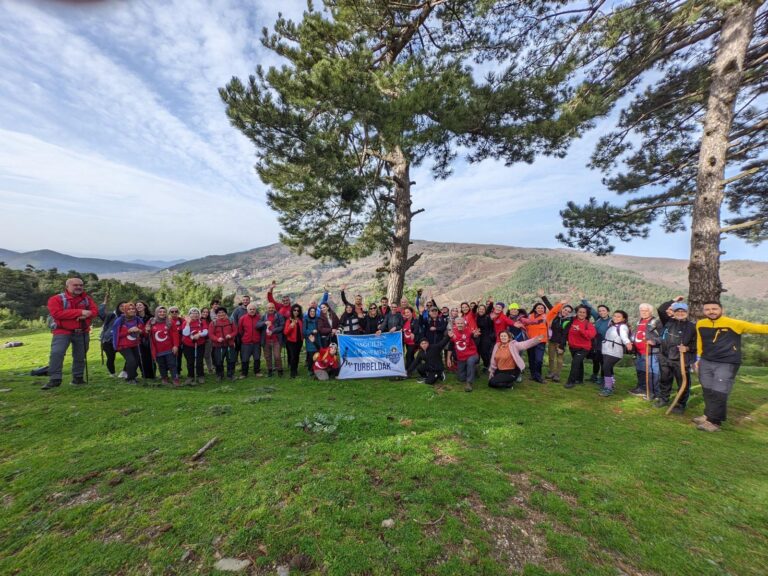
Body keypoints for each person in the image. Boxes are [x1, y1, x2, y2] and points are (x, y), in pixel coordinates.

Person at [693, 302, 768, 432]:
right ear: (704, 311)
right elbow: (700, 341)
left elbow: (760, 328)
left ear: (722, 309)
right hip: (706, 361)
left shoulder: (734, 323)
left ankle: (714, 422)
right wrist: (698, 358)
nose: (711, 311)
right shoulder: (701, 324)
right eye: (708, 309)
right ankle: (708, 415)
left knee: (719, 391)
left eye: (714, 309)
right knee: (707, 389)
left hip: (727, 363)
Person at [43, 277, 99, 389]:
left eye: (81, 285)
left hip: (82, 331)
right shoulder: (56, 299)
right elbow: (57, 314)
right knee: (57, 353)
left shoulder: (87, 299)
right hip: (62, 331)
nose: (79, 287)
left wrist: (86, 314)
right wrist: (80, 312)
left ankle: (78, 378)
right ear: (67, 287)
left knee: (80, 355)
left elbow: (95, 311)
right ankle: (55, 379)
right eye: (75, 285)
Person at [655, 301, 696, 412]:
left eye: (683, 311)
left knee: (683, 382)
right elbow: (661, 309)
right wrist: (673, 301)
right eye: (678, 311)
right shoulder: (668, 321)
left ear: (687, 313)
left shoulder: (692, 327)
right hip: (665, 356)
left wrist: (687, 348)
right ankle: (664, 399)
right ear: (674, 312)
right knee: (664, 379)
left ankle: (680, 404)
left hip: (681, 359)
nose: (681, 313)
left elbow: (697, 344)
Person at [519, 298, 565, 383]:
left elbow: (554, 311)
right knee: (531, 359)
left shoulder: (546, 317)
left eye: (542, 308)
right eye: (538, 308)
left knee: (539, 360)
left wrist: (560, 304)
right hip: (530, 341)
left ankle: (538, 376)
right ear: (535, 308)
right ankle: (533, 375)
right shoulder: (529, 316)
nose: (540, 309)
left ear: (544, 310)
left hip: (541, 341)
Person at [630, 303, 661, 399]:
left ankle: (654, 393)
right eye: (641, 310)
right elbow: (635, 333)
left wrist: (654, 341)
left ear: (651, 311)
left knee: (652, 373)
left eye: (646, 310)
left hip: (651, 352)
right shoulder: (639, 321)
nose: (643, 312)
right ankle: (642, 388)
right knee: (640, 371)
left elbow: (664, 337)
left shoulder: (656, 322)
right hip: (639, 352)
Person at [599, 310, 632, 396]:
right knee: (608, 368)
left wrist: (627, 343)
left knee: (606, 367)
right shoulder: (613, 325)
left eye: (618, 316)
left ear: (623, 319)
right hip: (607, 350)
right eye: (614, 316)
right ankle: (610, 385)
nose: (615, 318)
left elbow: (624, 336)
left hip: (615, 351)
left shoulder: (622, 327)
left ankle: (608, 388)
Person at [145, 306, 181, 386]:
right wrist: (147, 331)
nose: (162, 313)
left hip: (169, 348)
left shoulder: (170, 322)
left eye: (164, 312)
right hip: (158, 349)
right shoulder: (151, 321)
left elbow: (175, 334)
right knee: (161, 365)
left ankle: (175, 378)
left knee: (172, 364)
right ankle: (164, 378)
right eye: (160, 312)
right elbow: (146, 333)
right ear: (156, 312)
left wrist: (175, 345)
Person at [564, 305, 597, 389]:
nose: (581, 314)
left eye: (584, 312)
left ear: (586, 314)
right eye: (580, 312)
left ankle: (570, 382)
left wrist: (580, 330)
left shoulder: (588, 324)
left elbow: (591, 336)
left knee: (575, 363)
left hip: (584, 348)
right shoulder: (572, 321)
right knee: (579, 363)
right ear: (577, 313)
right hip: (572, 346)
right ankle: (580, 379)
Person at [112, 302, 144, 385]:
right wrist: (128, 331)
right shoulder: (119, 320)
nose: (131, 310)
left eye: (133, 309)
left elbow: (142, 331)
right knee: (131, 360)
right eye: (129, 309)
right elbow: (116, 334)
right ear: (125, 311)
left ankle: (132, 376)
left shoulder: (137, 319)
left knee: (137, 360)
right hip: (123, 345)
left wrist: (140, 331)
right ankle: (130, 378)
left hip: (135, 343)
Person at [448, 317, 480, 392]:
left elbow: (474, 335)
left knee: (470, 361)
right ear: (455, 324)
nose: (460, 325)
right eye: (458, 323)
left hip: (472, 354)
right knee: (461, 378)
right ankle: (474, 369)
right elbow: (450, 347)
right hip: (461, 357)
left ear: (464, 324)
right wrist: (448, 358)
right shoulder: (452, 333)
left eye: (461, 323)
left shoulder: (468, 330)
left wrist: (476, 335)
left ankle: (469, 383)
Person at [98, 297, 125, 378]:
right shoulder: (112, 315)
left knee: (131, 357)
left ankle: (124, 372)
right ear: (118, 307)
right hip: (108, 340)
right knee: (111, 358)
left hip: (122, 340)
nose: (123, 308)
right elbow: (101, 314)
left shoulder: (130, 316)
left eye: (125, 306)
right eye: (121, 306)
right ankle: (112, 373)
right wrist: (104, 303)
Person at [546, 304, 573, 382]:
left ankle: (557, 375)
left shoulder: (569, 321)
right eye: (565, 310)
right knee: (551, 358)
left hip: (560, 342)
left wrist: (562, 346)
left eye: (568, 311)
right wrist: (543, 297)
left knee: (559, 359)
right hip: (551, 341)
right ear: (562, 309)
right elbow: (551, 308)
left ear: (570, 313)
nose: (566, 312)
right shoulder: (556, 317)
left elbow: (565, 334)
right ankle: (551, 372)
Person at [209, 307, 237, 381]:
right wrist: (217, 339)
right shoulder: (213, 323)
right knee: (218, 361)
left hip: (229, 345)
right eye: (219, 313)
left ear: (225, 313)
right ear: (217, 314)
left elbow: (235, 331)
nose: (221, 314)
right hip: (218, 346)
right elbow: (211, 334)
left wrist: (230, 335)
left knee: (231, 360)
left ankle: (230, 375)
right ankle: (219, 375)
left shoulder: (230, 321)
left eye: (223, 312)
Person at [181, 307, 208, 385]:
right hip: (188, 344)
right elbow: (185, 333)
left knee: (199, 361)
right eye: (192, 313)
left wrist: (199, 334)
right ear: (189, 315)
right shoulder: (185, 322)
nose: (195, 315)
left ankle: (200, 375)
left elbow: (206, 332)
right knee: (190, 361)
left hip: (199, 344)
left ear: (199, 315)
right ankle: (190, 376)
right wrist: (188, 323)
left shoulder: (202, 322)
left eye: (196, 313)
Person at [259, 301, 285, 377]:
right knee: (267, 356)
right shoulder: (264, 317)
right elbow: (257, 325)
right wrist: (264, 323)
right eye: (269, 308)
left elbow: (282, 326)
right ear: (266, 308)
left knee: (277, 356)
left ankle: (279, 370)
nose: (271, 309)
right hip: (266, 340)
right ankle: (269, 370)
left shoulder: (279, 316)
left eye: (272, 307)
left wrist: (273, 331)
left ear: (274, 308)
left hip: (276, 340)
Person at [238, 303, 262, 378]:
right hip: (246, 342)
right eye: (250, 309)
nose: (252, 311)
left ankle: (257, 371)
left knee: (257, 358)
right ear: (247, 310)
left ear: (256, 310)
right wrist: (244, 337)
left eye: (253, 309)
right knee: (245, 358)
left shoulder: (259, 318)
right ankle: (244, 373)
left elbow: (262, 329)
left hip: (256, 342)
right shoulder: (242, 318)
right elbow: (240, 330)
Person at [135, 301, 156, 380]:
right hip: (139, 340)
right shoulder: (134, 318)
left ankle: (152, 375)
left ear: (144, 307)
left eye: (140, 305)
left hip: (150, 339)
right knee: (142, 357)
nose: (138, 306)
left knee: (151, 357)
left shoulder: (151, 317)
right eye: (137, 305)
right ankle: (144, 374)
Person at [284, 304, 304, 378]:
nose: (296, 312)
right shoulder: (289, 320)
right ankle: (292, 373)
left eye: (298, 310)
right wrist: (291, 326)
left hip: (299, 341)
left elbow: (302, 330)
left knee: (297, 356)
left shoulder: (300, 320)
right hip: (291, 342)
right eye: (294, 310)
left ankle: (295, 369)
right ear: (292, 311)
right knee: (293, 357)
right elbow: (285, 332)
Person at [303, 306, 321, 373]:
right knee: (311, 355)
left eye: (314, 311)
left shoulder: (317, 319)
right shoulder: (306, 320)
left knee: (317, 355)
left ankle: (317, 368)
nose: (312, 313)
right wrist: (311, 332)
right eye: (311, 311)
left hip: (317, 339)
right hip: (310, 339)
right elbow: (304, 331)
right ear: (309, 312)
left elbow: (320, 328)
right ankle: (310, 370)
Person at [201, 307, 214, 373]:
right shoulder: (198, 320)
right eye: (204, 312)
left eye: (207, 312)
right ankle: (200, 369)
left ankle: (210, 368)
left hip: (208, 340)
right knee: (200, 355)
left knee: (207, 354)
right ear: (201, 312)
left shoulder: (210, 321)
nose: (205, 313)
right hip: (200, 340)